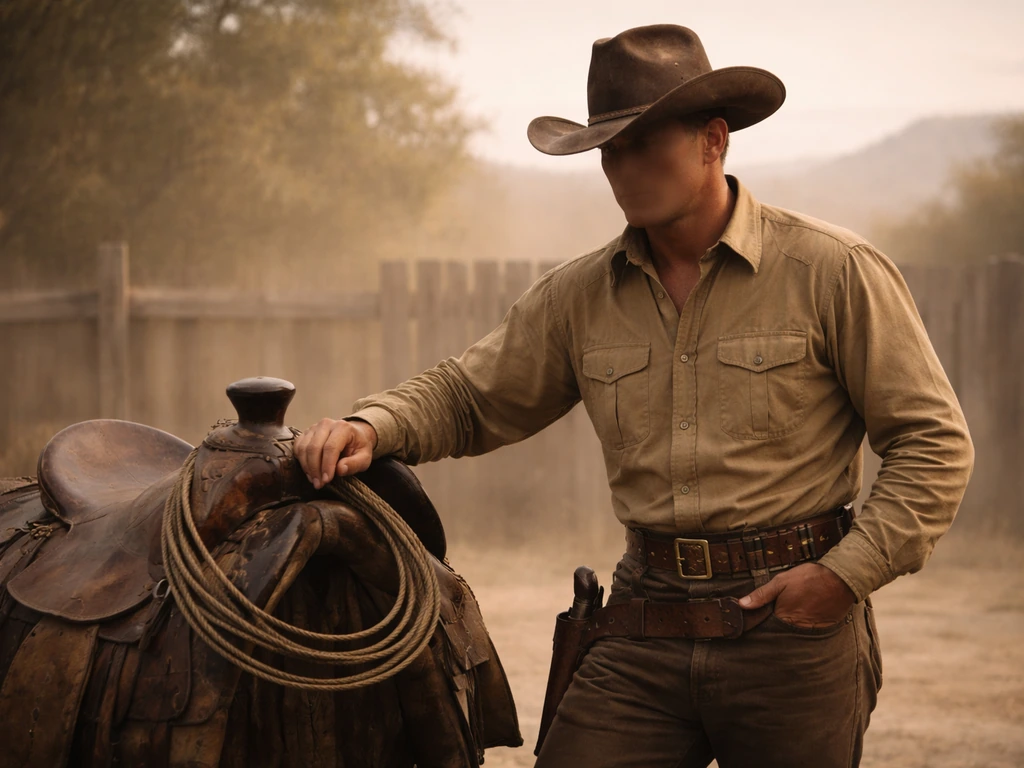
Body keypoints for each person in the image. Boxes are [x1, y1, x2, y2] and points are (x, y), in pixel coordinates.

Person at [295, 24, 974, 768]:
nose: (622, 168)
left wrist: (843, 577)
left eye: (645, 143)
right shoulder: (580, 296)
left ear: (714, 140)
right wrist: (373, 425)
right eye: (609, 151)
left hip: (792, 628)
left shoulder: (832, 270)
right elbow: (469, 395)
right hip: (643, 618)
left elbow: (932, 441)